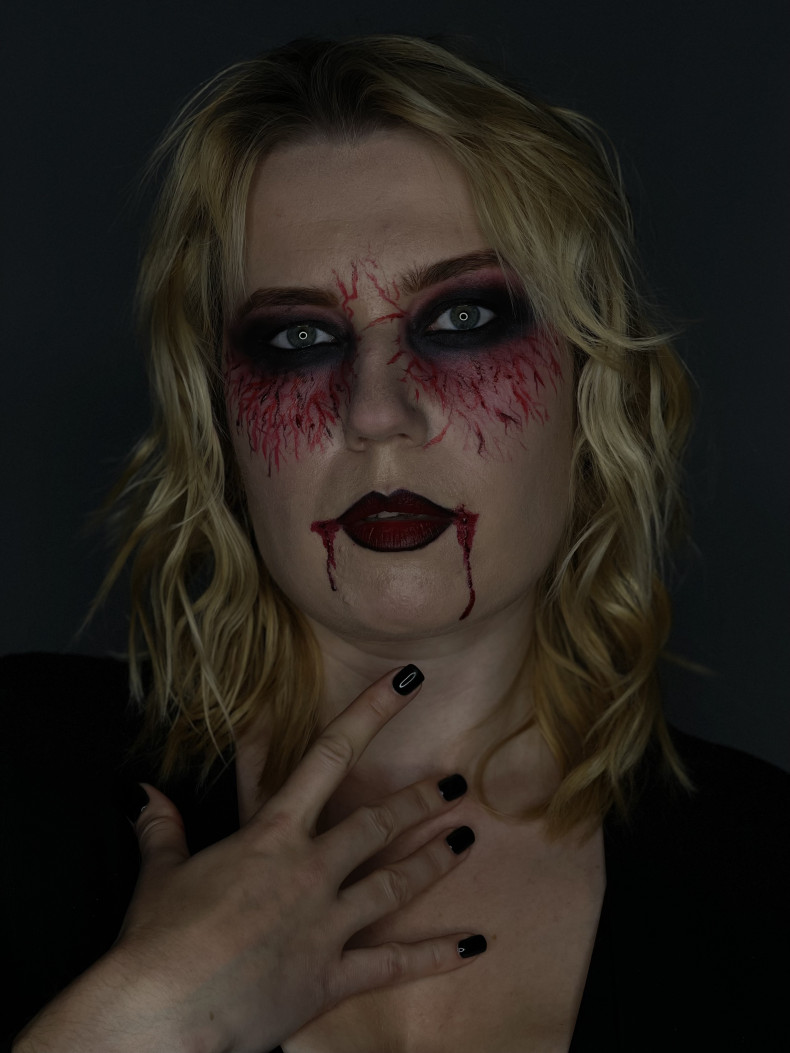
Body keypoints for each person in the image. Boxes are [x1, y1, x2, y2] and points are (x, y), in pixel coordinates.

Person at [2, 33, 787, 1053]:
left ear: (592, 382)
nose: (376, 411)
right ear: (220, 419)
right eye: (298, 338)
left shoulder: (765, 873)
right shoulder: (22, 772)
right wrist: (137, 1018)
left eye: (460, 319)